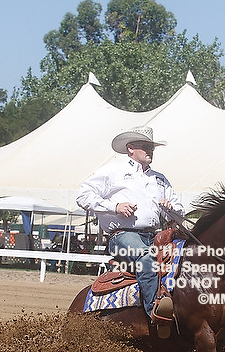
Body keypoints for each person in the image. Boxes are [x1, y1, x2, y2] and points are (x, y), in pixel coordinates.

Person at [76, 126, 185, 338]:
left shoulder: (160, 179)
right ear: (130, 148)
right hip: (123, 236)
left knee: (186, 258)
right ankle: (155, 312)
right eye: (145, 146)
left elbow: (180, 212)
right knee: (146, 258)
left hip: (155, 235)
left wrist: (171, 208)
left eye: (152, 147)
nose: (150, 150)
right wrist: (114, 206)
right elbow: (83, 196)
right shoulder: (113, 171)